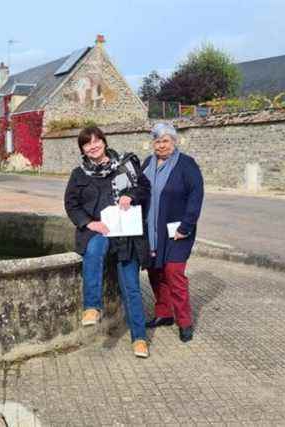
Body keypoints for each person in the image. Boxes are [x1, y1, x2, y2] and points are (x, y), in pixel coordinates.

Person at [64, 126, 152, 358]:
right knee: (93, 252)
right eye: (86, 143)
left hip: (125, 236)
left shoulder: (126, 165)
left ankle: (140, 339)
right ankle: (91, 308)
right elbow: (71, 204)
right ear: (82, 149)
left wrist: (130, 195)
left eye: (96, 141)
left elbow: (144, 187)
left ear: (104, 141)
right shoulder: (79, 174)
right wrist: (88, 223)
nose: (92, 146)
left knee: (131, 288)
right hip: (99, 231)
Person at [142, 122, 204, 344]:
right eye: (157, 141)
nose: (161, 145)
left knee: (173, 273)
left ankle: (185, 321)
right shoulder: (148, 163)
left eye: (165, 140)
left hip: (178, 231)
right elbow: (139, 190)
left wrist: (186, 226)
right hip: (152, 230)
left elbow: (196, 197)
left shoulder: (187, 165)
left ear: (174, 141)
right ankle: (164, 313)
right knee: (155, 272)